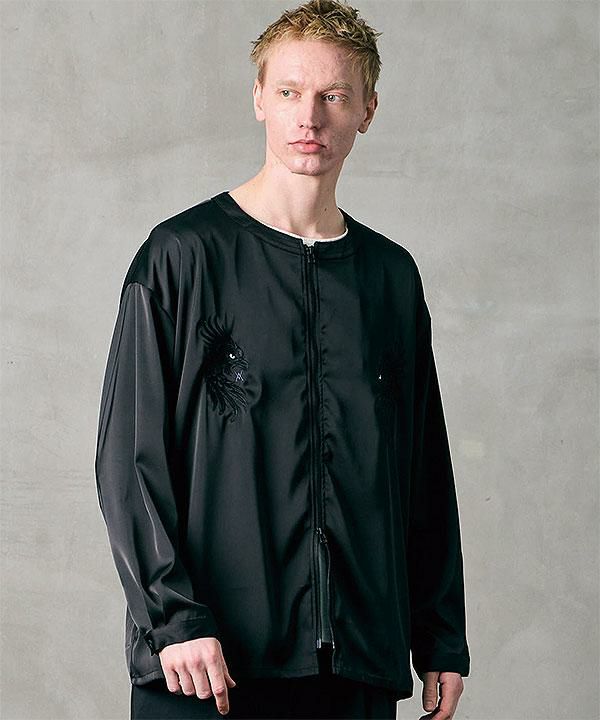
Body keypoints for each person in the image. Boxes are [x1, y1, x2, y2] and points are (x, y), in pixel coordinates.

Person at [94, 1, 471, 718]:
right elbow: (129, 461)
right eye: (291, 91)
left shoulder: (390, 278)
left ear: (368, 109)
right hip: (206, 667)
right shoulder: (181, 258)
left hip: (356, 665)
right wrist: (175, 620)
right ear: (259, 98)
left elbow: (422, 467)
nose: (310, 117)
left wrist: (441, 633)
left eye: (334, 95)